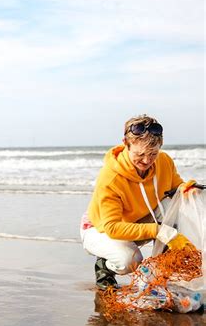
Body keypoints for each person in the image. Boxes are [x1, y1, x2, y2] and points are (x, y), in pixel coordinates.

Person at [81, 115, 195, 290]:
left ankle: (161, 270)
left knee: (176, 204)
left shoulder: (164, 161)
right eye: (139, 154)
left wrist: (188, 188)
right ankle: (104, 266)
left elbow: (176, 187)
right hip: (100, 229)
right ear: (126, 144)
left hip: (137, 221)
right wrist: (158, 230)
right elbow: (112, 227)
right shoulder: (110, 178)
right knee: (130, 261)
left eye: (153, 154)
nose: (146, 160)